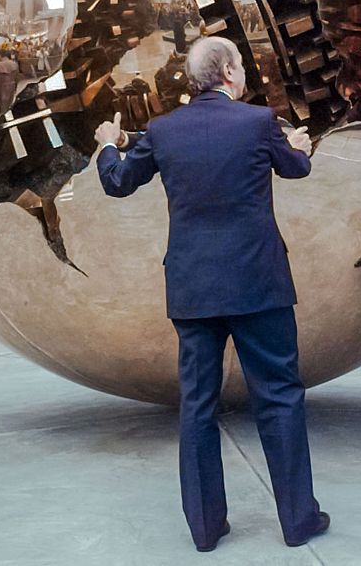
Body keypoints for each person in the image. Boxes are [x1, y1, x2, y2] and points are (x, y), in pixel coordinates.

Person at [94, 36, 329, 552]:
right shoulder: (257, 121)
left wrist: (108, 142)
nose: (242, 73)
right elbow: (295, 169)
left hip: (193, 287)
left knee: (197, 405)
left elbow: (116, 181)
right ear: (227, 74)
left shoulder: (163, 130)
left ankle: (205, 528)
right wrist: (301, 149)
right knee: (280, 398)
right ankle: (297, 519)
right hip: (258, 285)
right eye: (240, 66)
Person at [0, 48, 20, 115]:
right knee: (10, 106)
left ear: (0, 55)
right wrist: (15, 88)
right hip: (12, 86)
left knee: (2, 109)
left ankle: (4, 121)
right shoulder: (14, 64)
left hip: (2, 88)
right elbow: (17, 78)